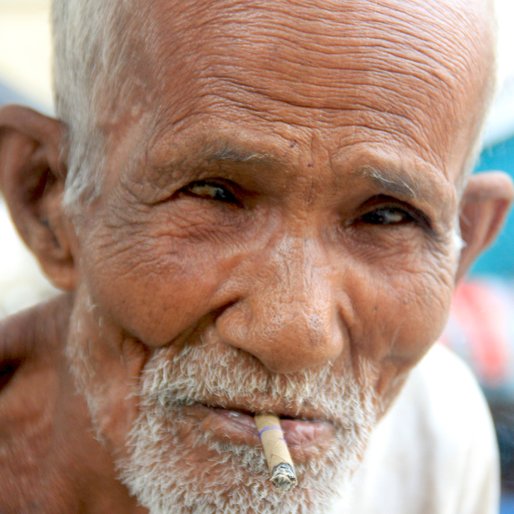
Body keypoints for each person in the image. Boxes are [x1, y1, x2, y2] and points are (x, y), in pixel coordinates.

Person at [0, 1, 512, 513]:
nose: (296, 336)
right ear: (48, 203)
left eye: (386, 218)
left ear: (460, 246)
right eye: (215, 194)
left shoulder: (435, 443)